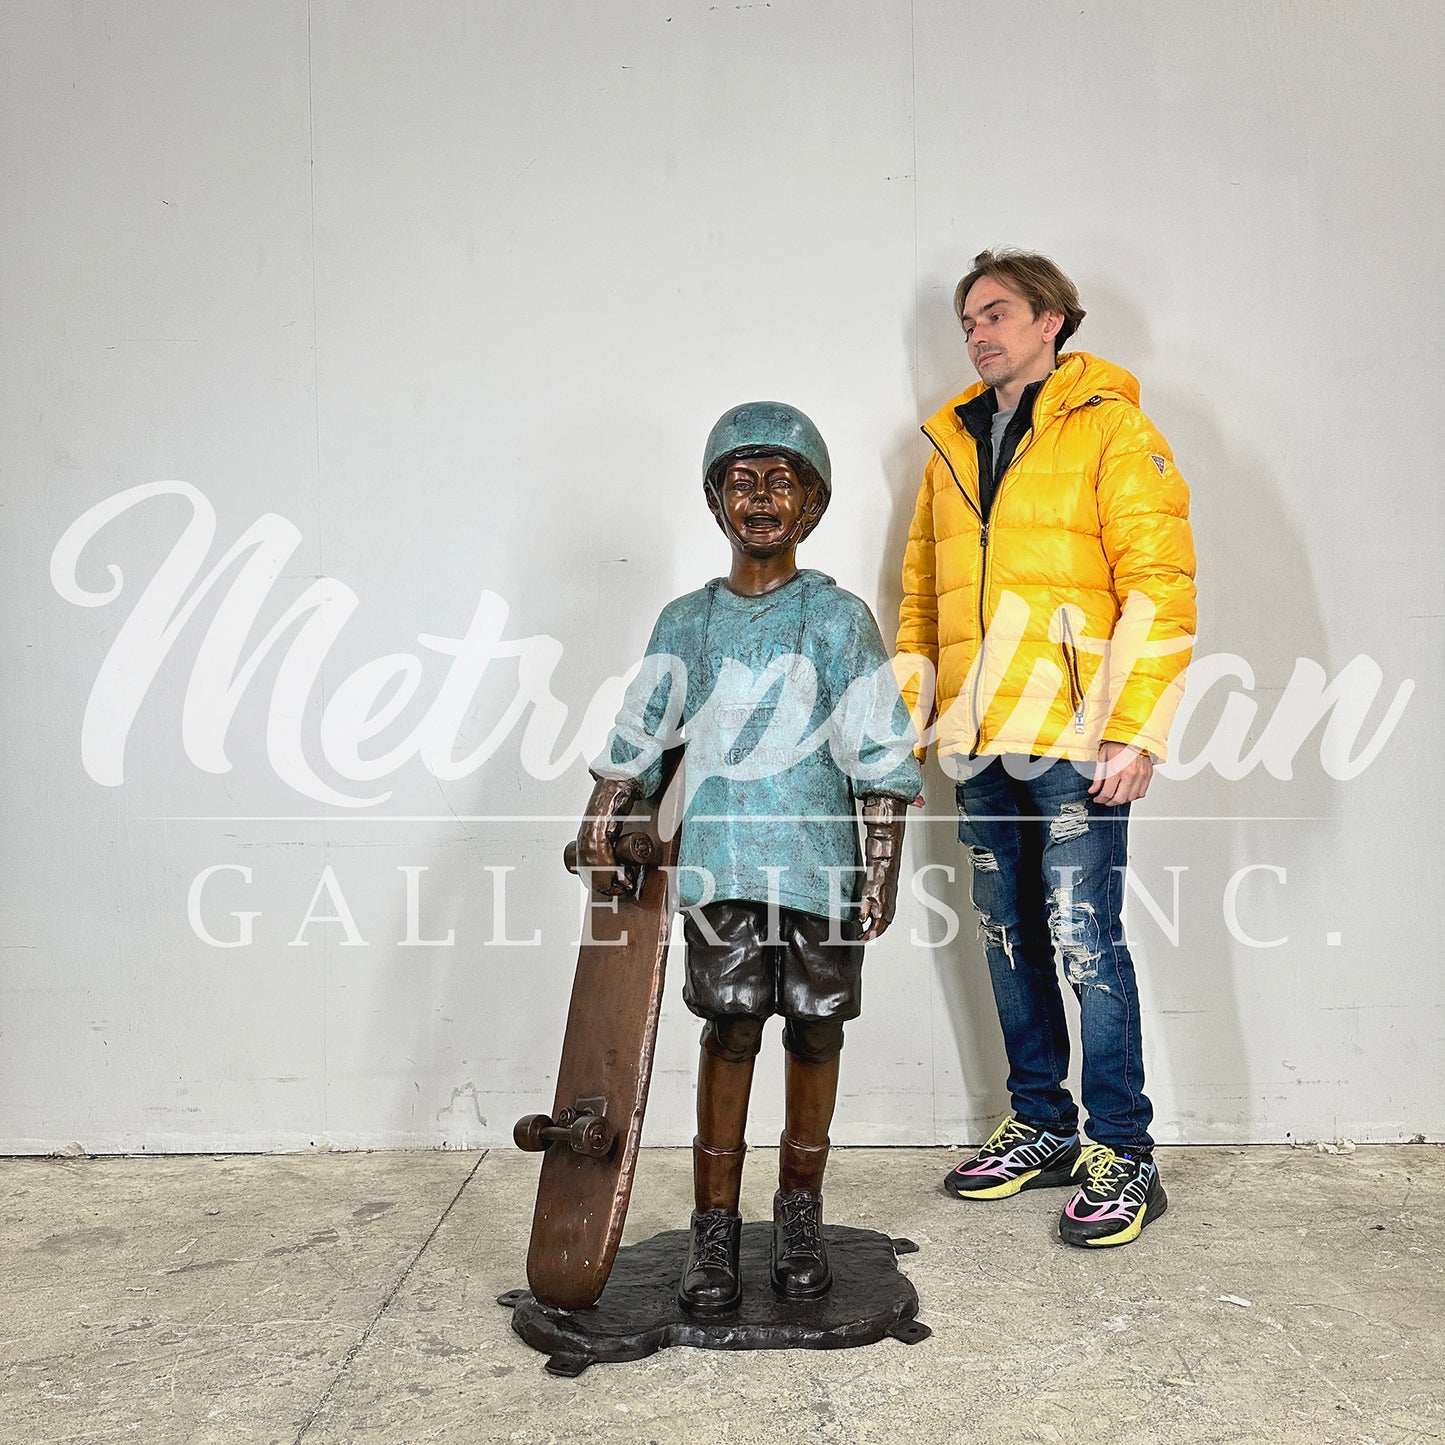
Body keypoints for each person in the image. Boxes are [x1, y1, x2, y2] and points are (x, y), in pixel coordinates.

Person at [578, 402, 921, 1311]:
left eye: (780, 482)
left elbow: (878, 748)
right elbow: (643, 731)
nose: (760, 500)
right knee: (730, 1030)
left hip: (818, 866)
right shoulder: (687, 620)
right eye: (741, 482)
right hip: (723, 862)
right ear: (713, 499)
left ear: (812, 503)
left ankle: (799, 1213)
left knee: (816, 1029)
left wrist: (880, 865)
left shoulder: (836, 617)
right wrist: (606, 809)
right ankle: (714, 1225)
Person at [895, 249, 1196, 1247]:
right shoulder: (948, 445)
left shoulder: (1111, 429)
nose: (976, 333)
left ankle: (1123, 1149)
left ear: (1050, 320)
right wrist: (910, 728)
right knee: (1005, 934)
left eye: (994, 313)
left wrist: (1135, 727)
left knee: (1083, 939)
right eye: (965, 321)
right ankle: (1040, 1121)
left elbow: (1157, 584)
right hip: (978, 742)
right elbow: (919, 602)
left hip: (1073, 740)